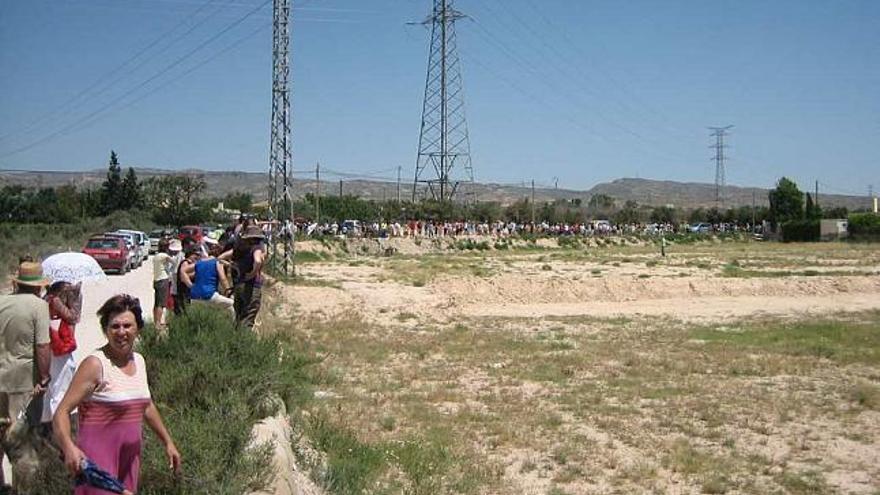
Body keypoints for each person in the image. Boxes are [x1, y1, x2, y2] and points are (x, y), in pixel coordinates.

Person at [53, 295, 181, 494]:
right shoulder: (95, 364)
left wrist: (168, 442)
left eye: (127, 325)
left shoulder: (139, 361)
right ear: (106, 330)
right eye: (115, 326)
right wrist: (68, 446)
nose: (121, 332)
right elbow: (62, 411)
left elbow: (146, 405)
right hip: (98, 469)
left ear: (138, 328)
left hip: (129, 463)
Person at [0, 261, 51, 492]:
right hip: (21, 382)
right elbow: (42, 347)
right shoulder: (38, 306)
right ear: (39, 287)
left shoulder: (2, 301)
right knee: (23, 446)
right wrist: (44, 378)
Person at [41, 280, 82, 424]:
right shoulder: (55, 301)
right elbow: (73, 317)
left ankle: (46, 427)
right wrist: (75, 300)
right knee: (60, 390)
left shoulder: (45, 299)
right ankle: (59, 428)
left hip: (50, 347)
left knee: (51, 391)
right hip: (59, 349)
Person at [220, 225, 265, 329]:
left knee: (239, 316)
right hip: (251, 286)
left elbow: (220, 258)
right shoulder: (256, 248)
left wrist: (232, 265)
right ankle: (245, 342)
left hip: (239, 285)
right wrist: (253, 273)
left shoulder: (238, 250)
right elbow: (257, 261)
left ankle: (237, 340)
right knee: (248, 317)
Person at [184, 252, 234, 317]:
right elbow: (223, 278)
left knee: (200, 317)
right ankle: (234, 325)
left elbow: (184, 271)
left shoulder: (199, 263)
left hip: (194, 296)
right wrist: (229, 291)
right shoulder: (217, 262)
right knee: (232, 304)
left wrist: (190, 285)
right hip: (209, 295)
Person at [151, 239, 173, 329]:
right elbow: (174, 262)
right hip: (163, 280)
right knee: (161, 304)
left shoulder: (156, 256)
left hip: (156, 280)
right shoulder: (164, 256)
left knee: (156, 303)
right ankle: (158, 323)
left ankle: (156, 321)